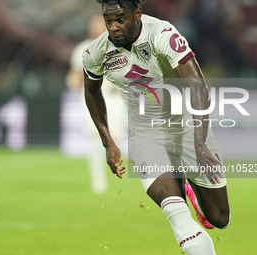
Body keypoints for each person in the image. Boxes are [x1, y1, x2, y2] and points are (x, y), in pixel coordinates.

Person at [82, 0, 230, 254]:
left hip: (187, 127)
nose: (114, 27)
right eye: (108, 20)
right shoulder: (95, 52)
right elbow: (91, 91)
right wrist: (108, 142)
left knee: (219, 218)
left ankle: (186, 183)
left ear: (137, 13)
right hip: (145, 134)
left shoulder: (162, 34)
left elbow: (196, 86)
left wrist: (199, 142)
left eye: (121, 19)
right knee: (175, 210)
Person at [61, 15, 126, 193]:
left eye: (100, 25)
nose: (96, 28)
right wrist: (73, 81)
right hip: (92, 98)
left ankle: (119, 174)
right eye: (94, 25)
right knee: (96, 137)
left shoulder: (119, 47)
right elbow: (75, 73)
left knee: (117, 138)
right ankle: (98, 180)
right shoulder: (82, 49)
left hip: (115, 100)